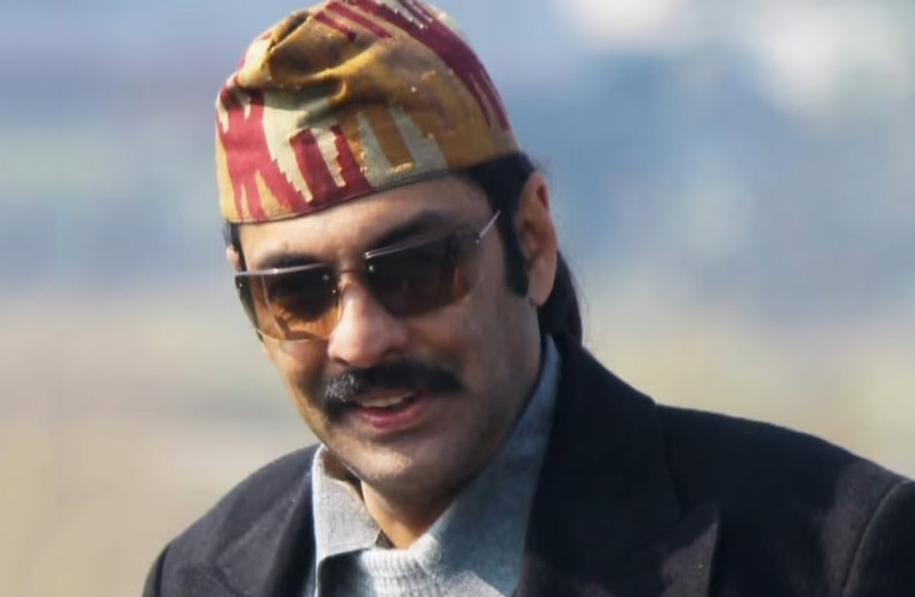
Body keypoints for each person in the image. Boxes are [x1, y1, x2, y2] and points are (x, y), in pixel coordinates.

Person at [143, 1, 915, 595]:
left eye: (415, 269)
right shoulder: (200, 574)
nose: (360, 339)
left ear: (532, 240)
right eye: (296, 292)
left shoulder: (824, 554)